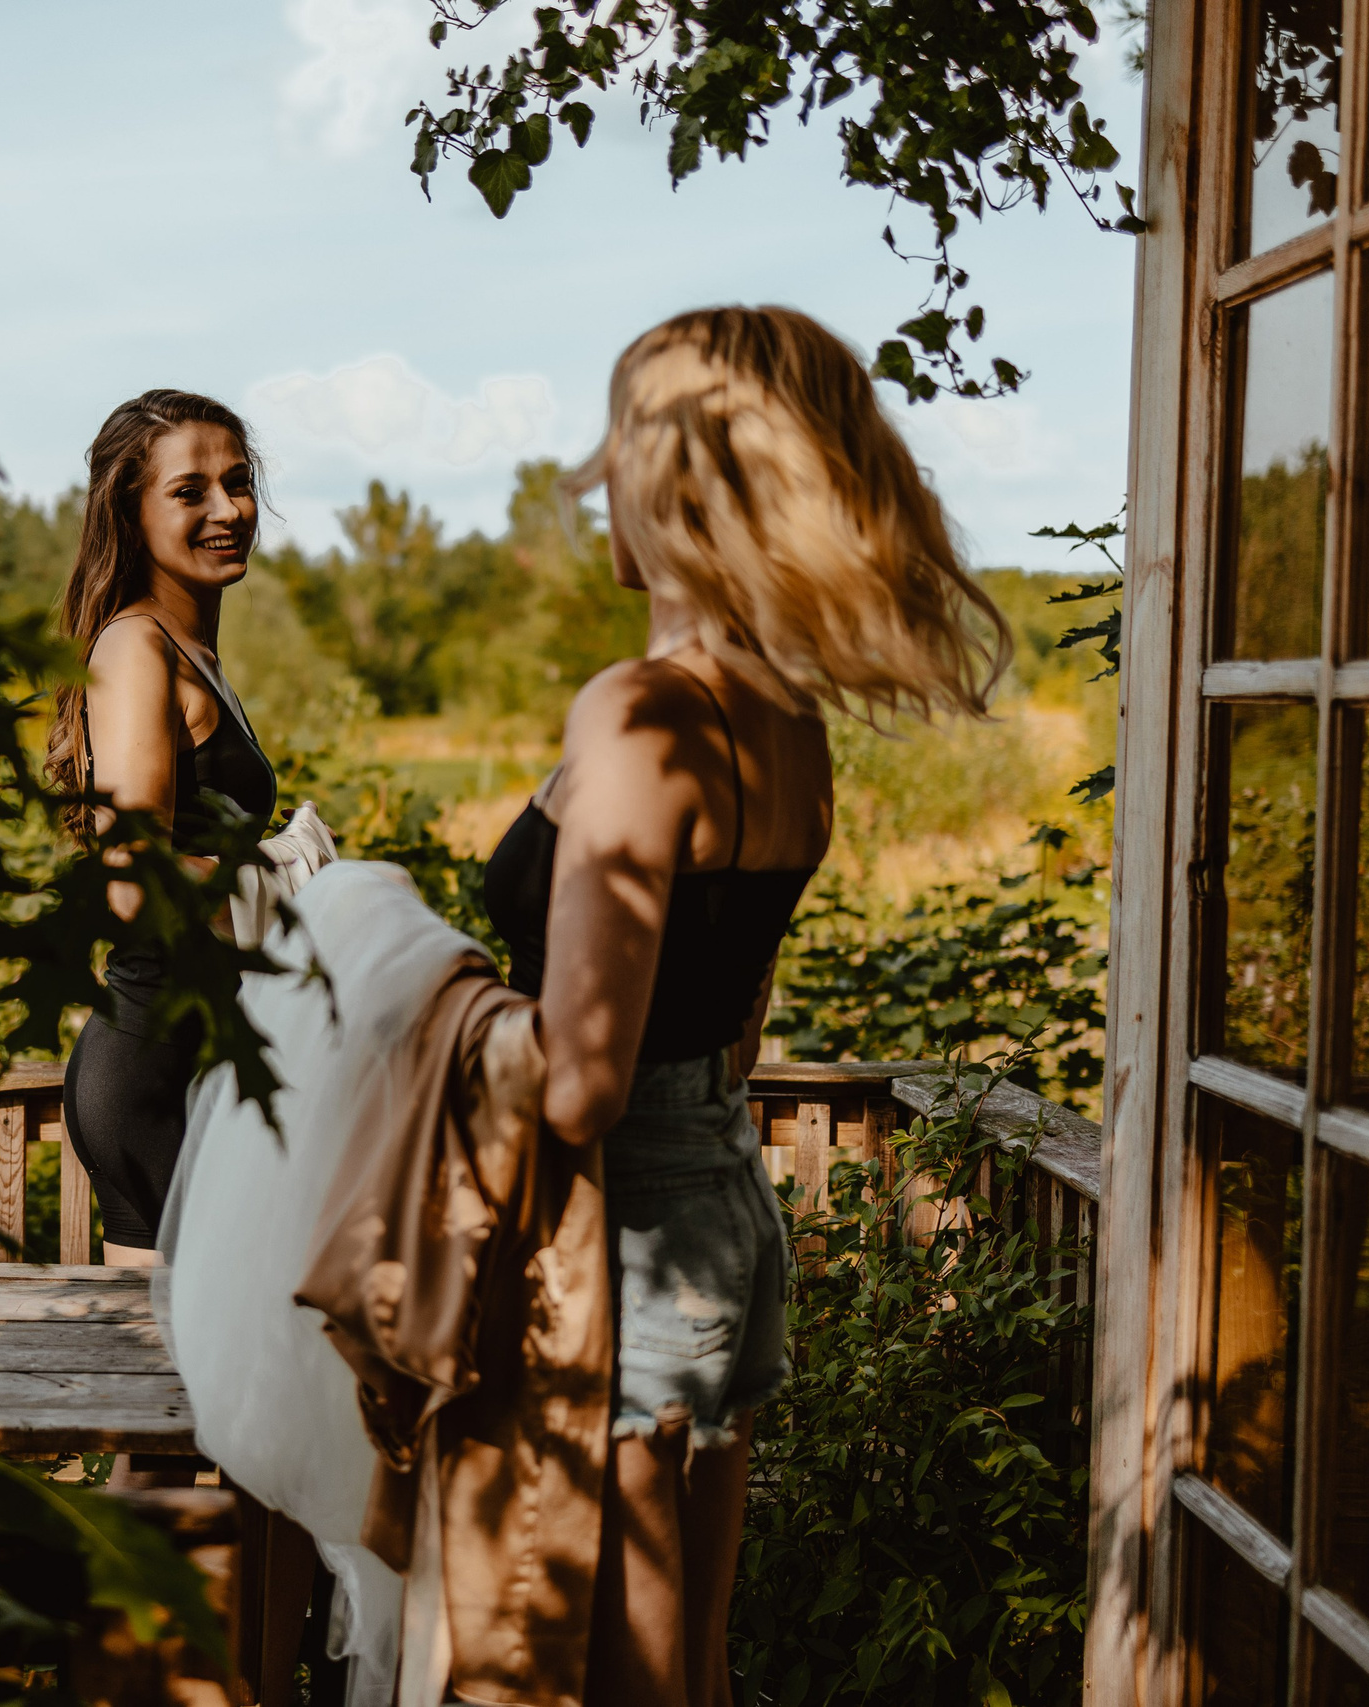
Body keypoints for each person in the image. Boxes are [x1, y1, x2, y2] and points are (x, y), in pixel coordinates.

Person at [482, 306, 1010, 1706]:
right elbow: (736, 1025)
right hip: (717, 1205)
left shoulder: (642, 710)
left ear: (670, 476)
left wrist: (427, 1009)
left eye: (615, 439)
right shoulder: (784, 718)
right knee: (687, 1671)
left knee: (617, 1679)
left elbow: (582, 1079)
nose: (593, 472)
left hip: (629, 1236)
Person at [47, 390, 279, 1267]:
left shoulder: (192, 654)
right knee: (178, 1378)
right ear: (129, 510)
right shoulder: (134, 649)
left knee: (204, 1380)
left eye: (240, 483)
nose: (228, 510)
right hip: (155, 1068)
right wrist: (301, 898)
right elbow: (129, 876)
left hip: (204, 1061)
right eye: (191, 492)